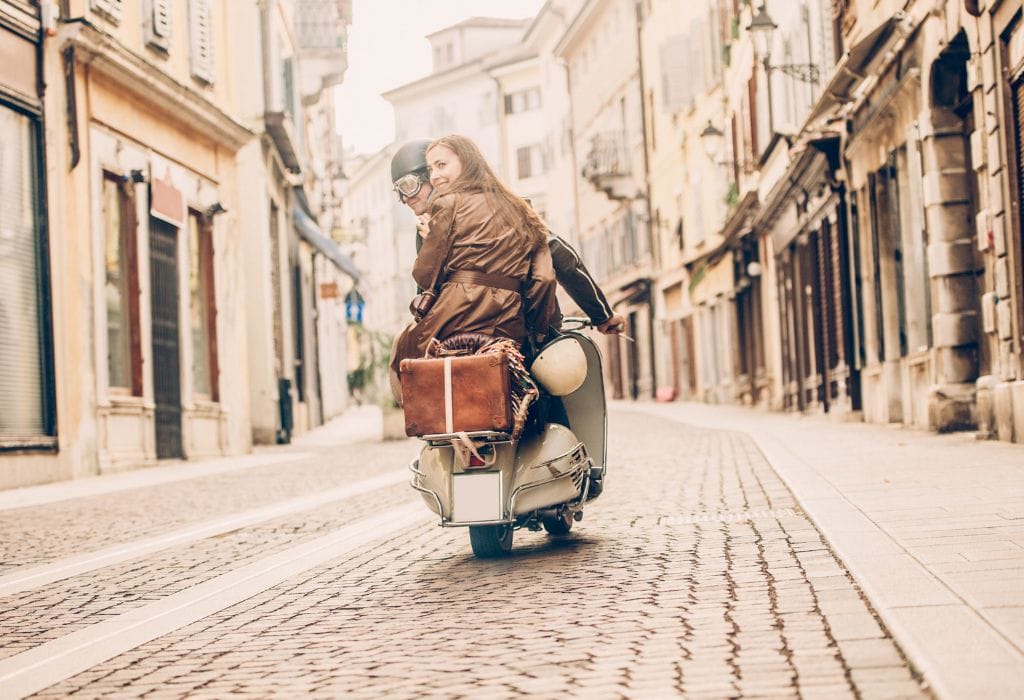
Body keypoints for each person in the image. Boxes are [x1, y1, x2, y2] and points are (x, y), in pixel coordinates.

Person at [389, 138, 626, 334]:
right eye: (398, 191)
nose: (405, 198)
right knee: (562, 377)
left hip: (459, 339)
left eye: (408, 186)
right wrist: (601, 314)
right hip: (524, 331)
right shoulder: (506, 206)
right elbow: (562, 257)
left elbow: (425, 295)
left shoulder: (433, 226)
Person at [389, 134, 560, 380]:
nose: (435, 176)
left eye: (441, 166)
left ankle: (422, 417)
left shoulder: (446, 205)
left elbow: (425, 276)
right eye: (431, 169)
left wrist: (430, 240)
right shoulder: (523, 208)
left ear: (466, 162)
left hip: (454, 320)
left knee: (404, 361)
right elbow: (544, 278)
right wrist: (537, 331)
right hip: (510, 325)